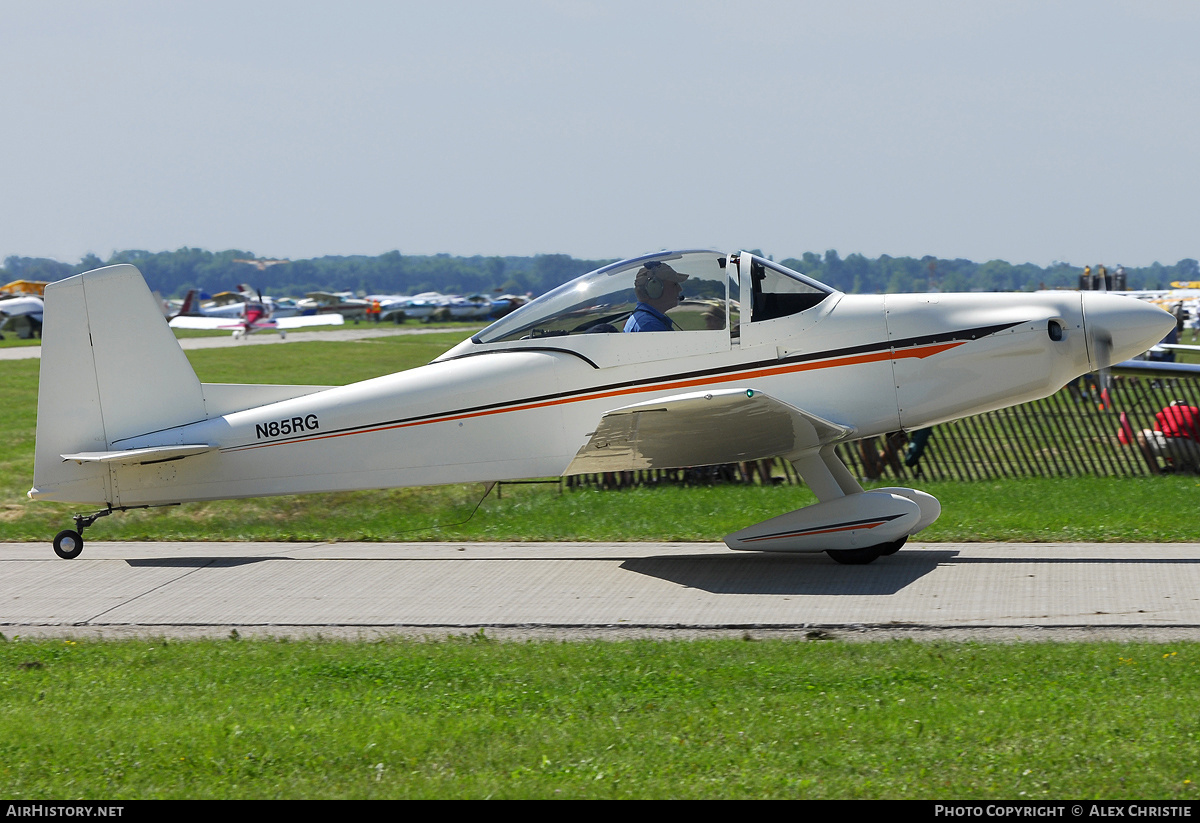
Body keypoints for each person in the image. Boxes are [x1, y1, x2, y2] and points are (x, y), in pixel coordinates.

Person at [624, 262, 689, 332]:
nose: (680, 289)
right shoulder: (650, 325)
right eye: (675, 284)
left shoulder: (645, 319)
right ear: (655, 288)